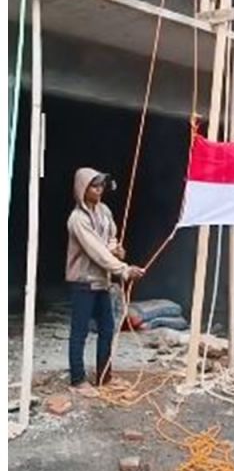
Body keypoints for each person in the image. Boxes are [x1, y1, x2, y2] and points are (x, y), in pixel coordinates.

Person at [65, 168, 144, 396]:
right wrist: (124, 270)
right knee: (79, 332)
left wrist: (116, 248)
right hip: (83, 281)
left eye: (101, 186)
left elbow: (108, 239)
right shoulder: (77, 219)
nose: (99, 190)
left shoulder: (104, 211)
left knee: (108, 329)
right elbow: (95, 250)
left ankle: (104, 377)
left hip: (102, 281)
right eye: (94, 186)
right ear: (83, 189)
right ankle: (78, 380)